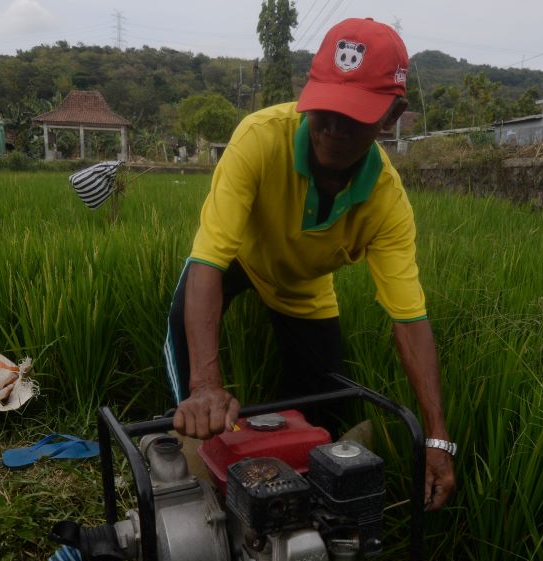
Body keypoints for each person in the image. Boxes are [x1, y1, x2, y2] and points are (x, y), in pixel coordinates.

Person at [163, 17, 457, 512]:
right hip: (238, 258)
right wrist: (206, 386)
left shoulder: (386, 203)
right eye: (326, 108)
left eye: (356, 114)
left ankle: (285, 517)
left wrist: (437, 438)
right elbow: (209, 262)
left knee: (325, 418)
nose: (334, 128)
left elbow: (409, 320)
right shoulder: (260, 138)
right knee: (190, 387)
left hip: (302, 287)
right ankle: (181, 477)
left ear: (392, 114)